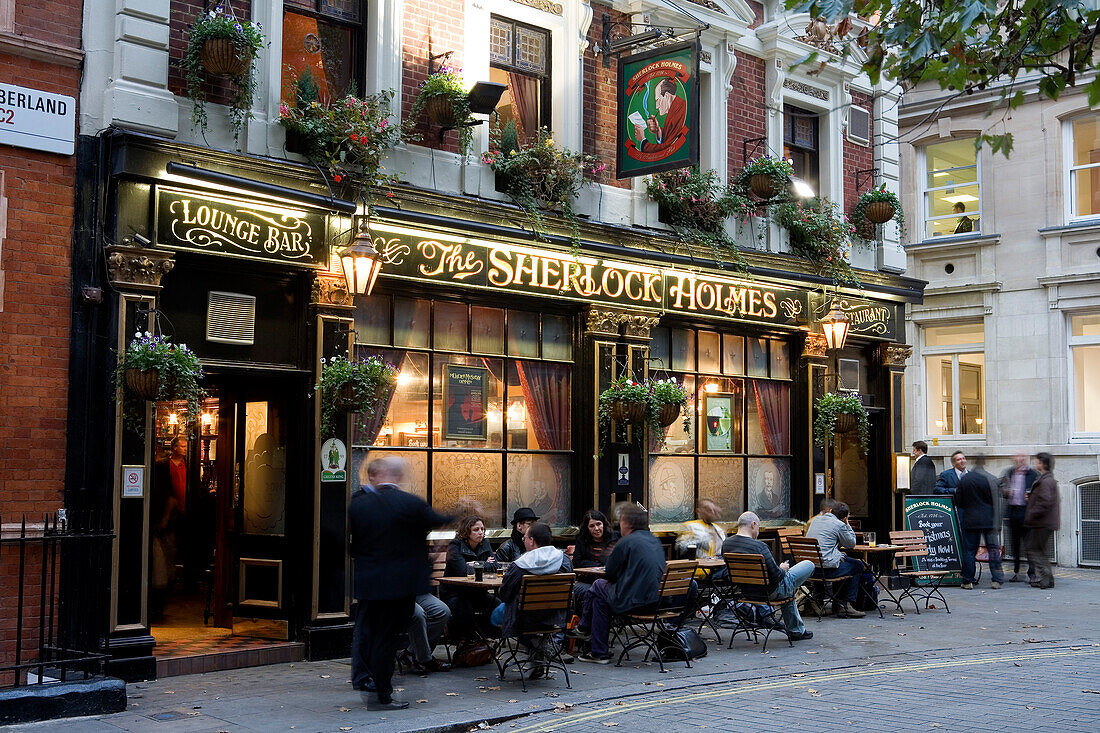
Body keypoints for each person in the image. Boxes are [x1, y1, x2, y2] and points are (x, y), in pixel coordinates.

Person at [349, 456, 450, 711]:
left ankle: (373, 685)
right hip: (402, 586)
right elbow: (439, 519)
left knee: (375, 635)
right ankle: (380, 692)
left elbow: (347, 542)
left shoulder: (358, 505)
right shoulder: (409, 503)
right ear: (394, 476)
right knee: (387, 638)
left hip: (371, 583)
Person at [576, 505, 666, 664]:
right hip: (656, 602)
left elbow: (609, 573)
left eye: (621, 521)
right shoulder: (654, 539)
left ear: (628, 523)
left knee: (597, 585)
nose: (619, 525)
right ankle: (598, 653)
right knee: (599, 601)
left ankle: (583, 628)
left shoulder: (626, 542)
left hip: (634, 602)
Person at [491, 522, 573, 677]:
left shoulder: (521, 565)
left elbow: (505, 594)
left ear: (532, 541)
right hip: (554, 616)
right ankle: (541, 647)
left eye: (525, 538)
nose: (524, 541)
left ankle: (537, 645)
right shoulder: (564, 560)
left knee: (497, 613)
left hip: (523, 620)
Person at [722, 512, 815, 641]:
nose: (758, 531)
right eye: (759, 527)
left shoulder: (727, 544)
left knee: (790, 588)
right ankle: (796, 630)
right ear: (753, 524)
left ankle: (797, 630)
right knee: (808, 564)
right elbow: (776, 576)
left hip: (747, 593)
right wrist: (782, 568)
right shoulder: (760, 547)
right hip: (770, 592)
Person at [804, 502, 865, 617]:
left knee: (843, 562)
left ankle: (819, 600)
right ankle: (844, 605)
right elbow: (851, 544)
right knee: (857, 565)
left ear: (830, 511)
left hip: (810, 568)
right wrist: (847, 524)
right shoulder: (839, 524)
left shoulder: (816, 520)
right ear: (844, 517)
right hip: (826, 570)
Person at [442, 515, 498, 640]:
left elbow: (495, 566)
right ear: (467, 531)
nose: (481, 532)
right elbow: (464, 571)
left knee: (498, 605)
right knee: (465, 609)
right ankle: (468, 643)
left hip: (477, 593)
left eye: (482, 529)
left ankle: (487, 642)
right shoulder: (455, 546)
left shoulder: (485, 543)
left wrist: (476, 564)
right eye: (476, 529)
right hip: (455, 593)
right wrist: (484, 563)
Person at [955, 464, 1005, 590]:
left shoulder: (965, 479)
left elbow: (958, 501)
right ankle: (997, 580)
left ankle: (968, 580)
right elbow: (992, 500)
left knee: (969, 551)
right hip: (987, 519)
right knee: (993, 549)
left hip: (970, 519)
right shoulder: (987, 479)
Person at [1000, 452, 1039, 583]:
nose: (1020, 460)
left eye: (1022, 458)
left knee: (1029, 544)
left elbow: (1039, 493)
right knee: (1015, 544)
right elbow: (1002, 489)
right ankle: (1016, 572)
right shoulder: (1010, 472)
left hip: (1027, 512)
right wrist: (1006, 491)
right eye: (1017, 458)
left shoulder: (1033, 474)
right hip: (1013, 512)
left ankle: (1032, 573)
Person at [572, 510, 619, 611]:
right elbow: (577, 562)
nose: (596, 528)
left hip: (611, 580)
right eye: (592, 526)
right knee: (588, 591)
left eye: (598, 524)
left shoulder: (615, 538)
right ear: (587, 528)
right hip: (588, 580)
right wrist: (597, 565)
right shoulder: (582, 541)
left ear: (604, 524)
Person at [1025, 453, 1059, 590]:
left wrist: (1031, 514)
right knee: (1041, 550)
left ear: (1042, 464)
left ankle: (1045, 578)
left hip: (1041, 522)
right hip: (1045, 522)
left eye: (1037, 461)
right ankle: (1048, 579)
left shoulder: (1045, 480)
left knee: (1033, 550)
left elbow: (1045, 501)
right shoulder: (1047, 479)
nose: (1035, 463)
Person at [632, 77, 687, 154]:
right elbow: (670, 136)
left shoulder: (680, 111)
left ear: (667, 96)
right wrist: (658, 131)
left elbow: (667, 147)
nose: (657, 106)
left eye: (657, 100)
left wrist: (643, 141)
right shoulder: (676, 109)